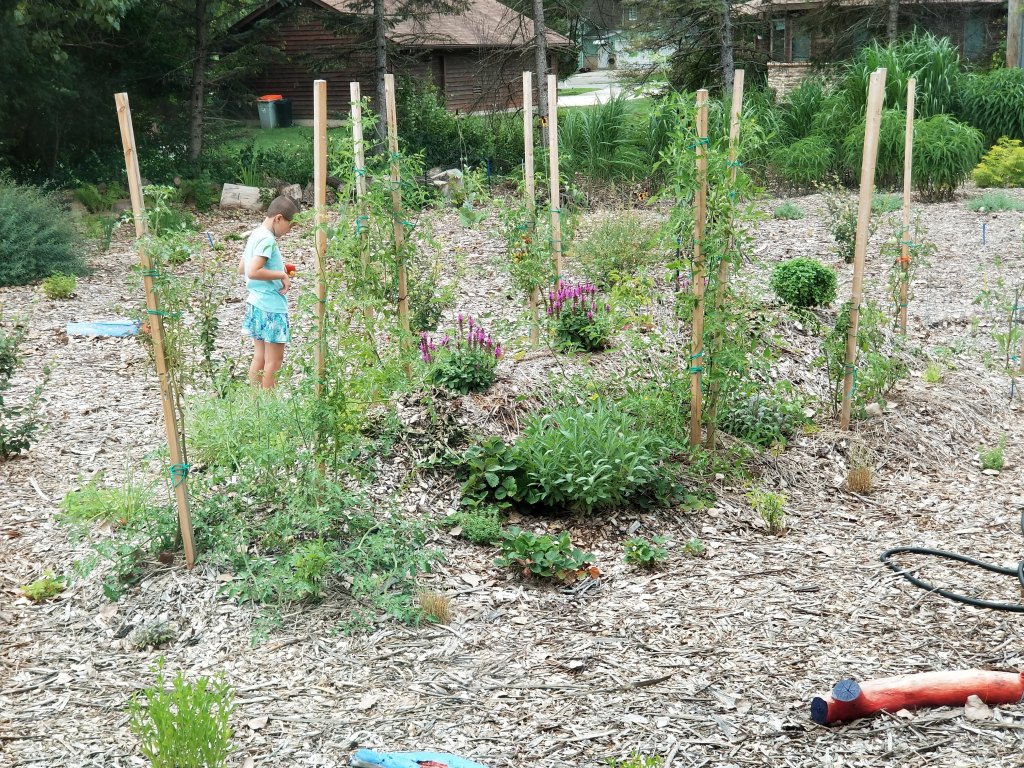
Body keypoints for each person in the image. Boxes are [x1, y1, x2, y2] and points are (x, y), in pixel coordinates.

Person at [238, 196, 298, 389]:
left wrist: (277, 269)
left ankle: (256, 405)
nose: (289, 231)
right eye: (290, 225)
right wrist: (281, 274)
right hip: (271, 306)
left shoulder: (256, 234)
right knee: (275, 361)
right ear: (278, 218)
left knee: (260, 358)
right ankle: (269, 404)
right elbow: (253, 271)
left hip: (255, 303)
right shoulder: (267, 240)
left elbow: (242, 267)